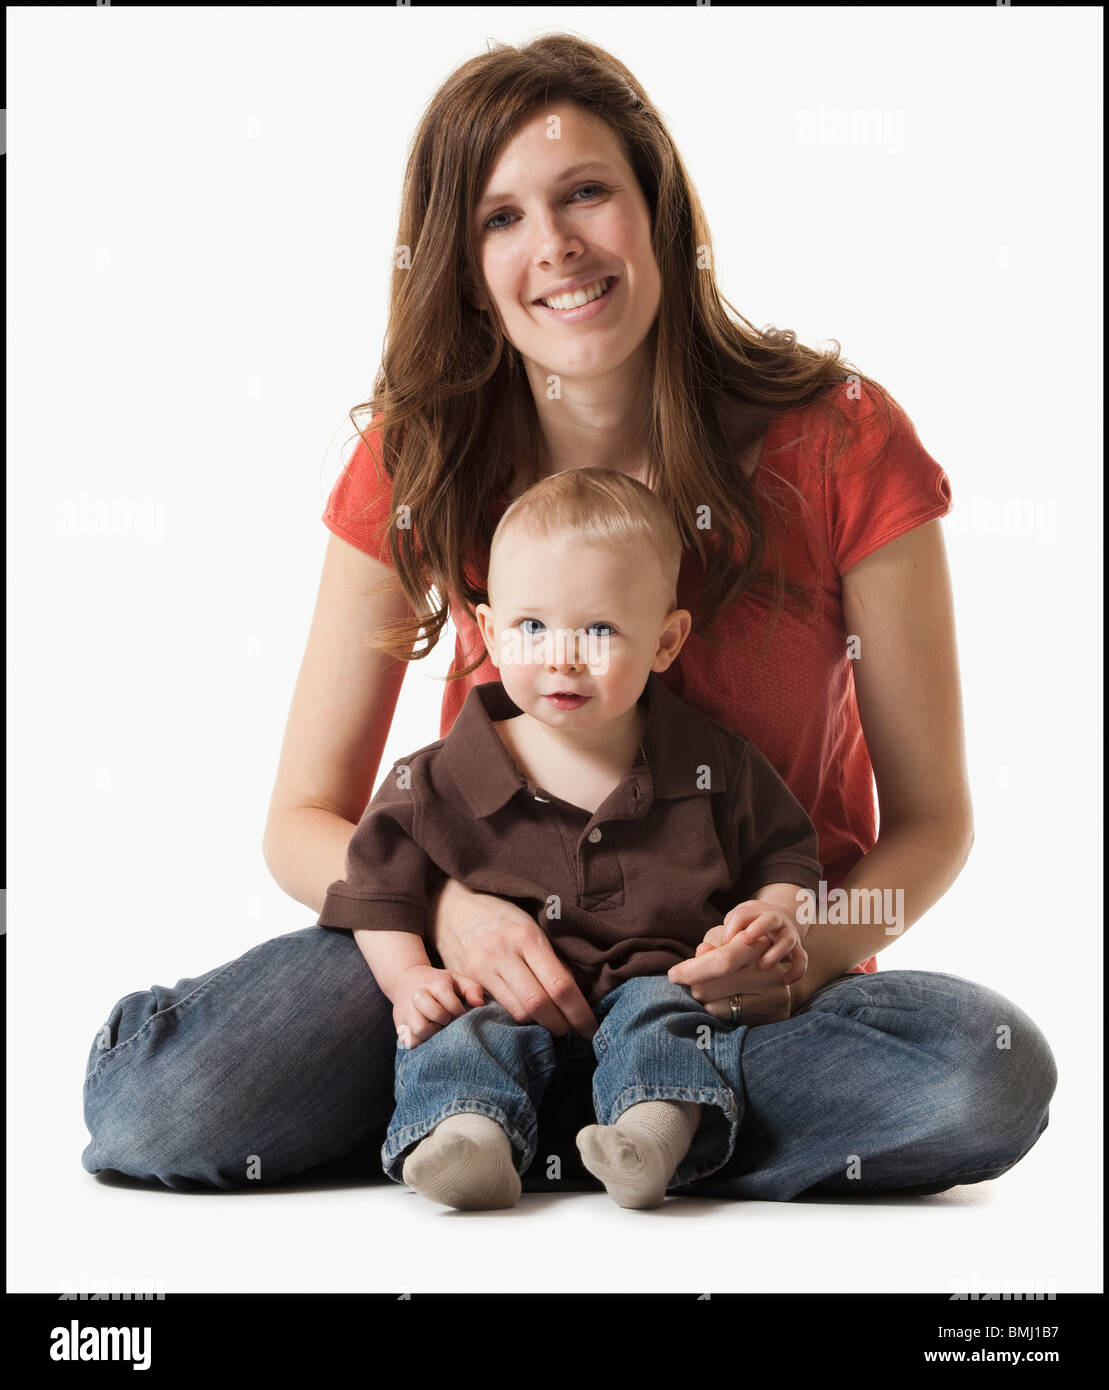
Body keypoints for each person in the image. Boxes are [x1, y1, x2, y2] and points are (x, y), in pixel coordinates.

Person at [82, 34, 1056, 1198]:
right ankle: (543, 1098)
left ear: (655, 205)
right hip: (477, 966)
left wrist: (797, 960)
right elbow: (301, 818)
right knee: (165, 1103)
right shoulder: (420, 454)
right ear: (461, 263)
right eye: (499, 218)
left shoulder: (843, 438)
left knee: (979, 1075)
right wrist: (447, 918)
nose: (554, 246)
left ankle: (574, 1105)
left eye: (585, 191)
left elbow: (932, 824)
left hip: (725, 999)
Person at [319, 468, 824, 1210]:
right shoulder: (435, 779)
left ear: (665, 640)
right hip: (498, 997)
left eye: (598, 629)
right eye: (531, 627)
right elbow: (378, 892)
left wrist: (775, 914)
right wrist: (409, 983)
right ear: (489, 631)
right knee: (460, 1036)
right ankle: (469, 1142)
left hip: (656, 982)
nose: (561, 655)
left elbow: (786, 853)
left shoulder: (714, 763)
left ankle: (648, 1137)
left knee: (668, 1019)